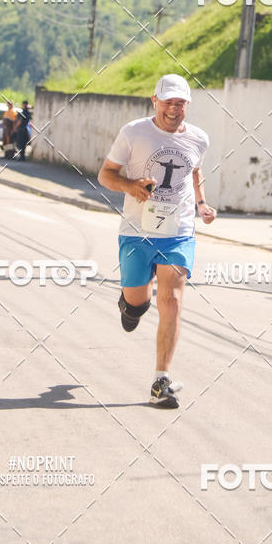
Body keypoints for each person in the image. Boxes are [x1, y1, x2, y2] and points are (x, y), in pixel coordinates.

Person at [98, 73, 216, 409]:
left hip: (178, 231)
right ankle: (132, 306)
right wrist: (130, 186)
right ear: (155, 101)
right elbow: (106, 174)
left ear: (187, 105)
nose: (174, 109)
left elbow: (194, 170)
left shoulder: (199, 138)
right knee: (138, 300)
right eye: (168, 102)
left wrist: (202, 203)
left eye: (181, 103)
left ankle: (160, 380)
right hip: (137, 230)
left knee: (173, 299)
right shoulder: (134, 132)